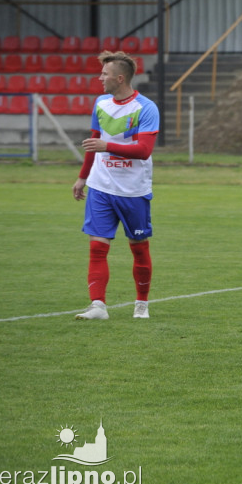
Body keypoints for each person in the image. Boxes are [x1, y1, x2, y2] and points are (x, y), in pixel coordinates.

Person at [72, 50, 160, 320]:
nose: (100, 78)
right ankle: (98, 305)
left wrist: (106, 146)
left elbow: (144, 150)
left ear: (120, 78)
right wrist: (83, 177)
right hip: (100, 186)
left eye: (105, 74)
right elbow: (93, 145)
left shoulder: (146, 108)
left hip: (133, 190)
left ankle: (141, 304)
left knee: (138, 246)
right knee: (97, 246)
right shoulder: (100, 103)